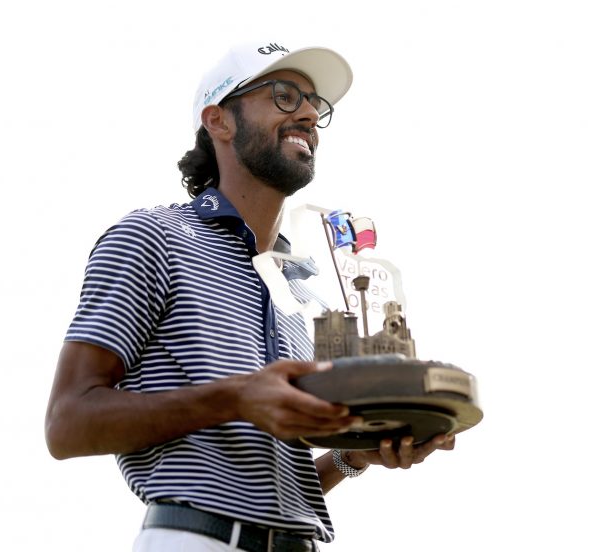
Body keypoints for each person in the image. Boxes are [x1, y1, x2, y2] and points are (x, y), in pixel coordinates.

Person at [44, 41, 454, 552]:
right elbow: (66, 424)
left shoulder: (298, 288)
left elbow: (270, 481)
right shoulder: (152, 237)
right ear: (219, 121)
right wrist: (237, 397)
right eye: (284, 95)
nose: (308, 113)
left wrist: (354, 456)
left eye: (314, 105)